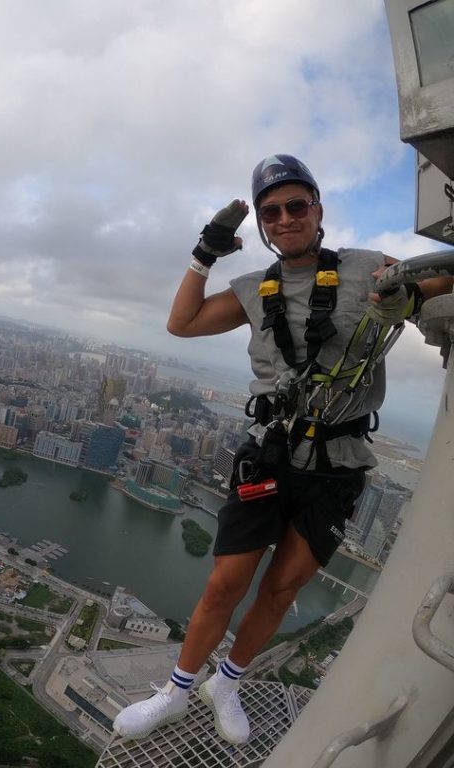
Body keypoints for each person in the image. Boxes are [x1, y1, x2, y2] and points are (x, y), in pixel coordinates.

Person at [112, 154, 453, 745]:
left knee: (283, 587)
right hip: (269, 455)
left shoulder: (368, 266)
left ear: (318, 209)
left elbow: (441, 275)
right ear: (263, 225)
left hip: (339, 463)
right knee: (226, 584)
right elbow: (182, 323)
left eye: (297, 205)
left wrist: (409, 299)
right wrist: (206, 251)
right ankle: (175, 692)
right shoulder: (251, 289)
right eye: (272, 211)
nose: (285, 217)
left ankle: (228, 682)